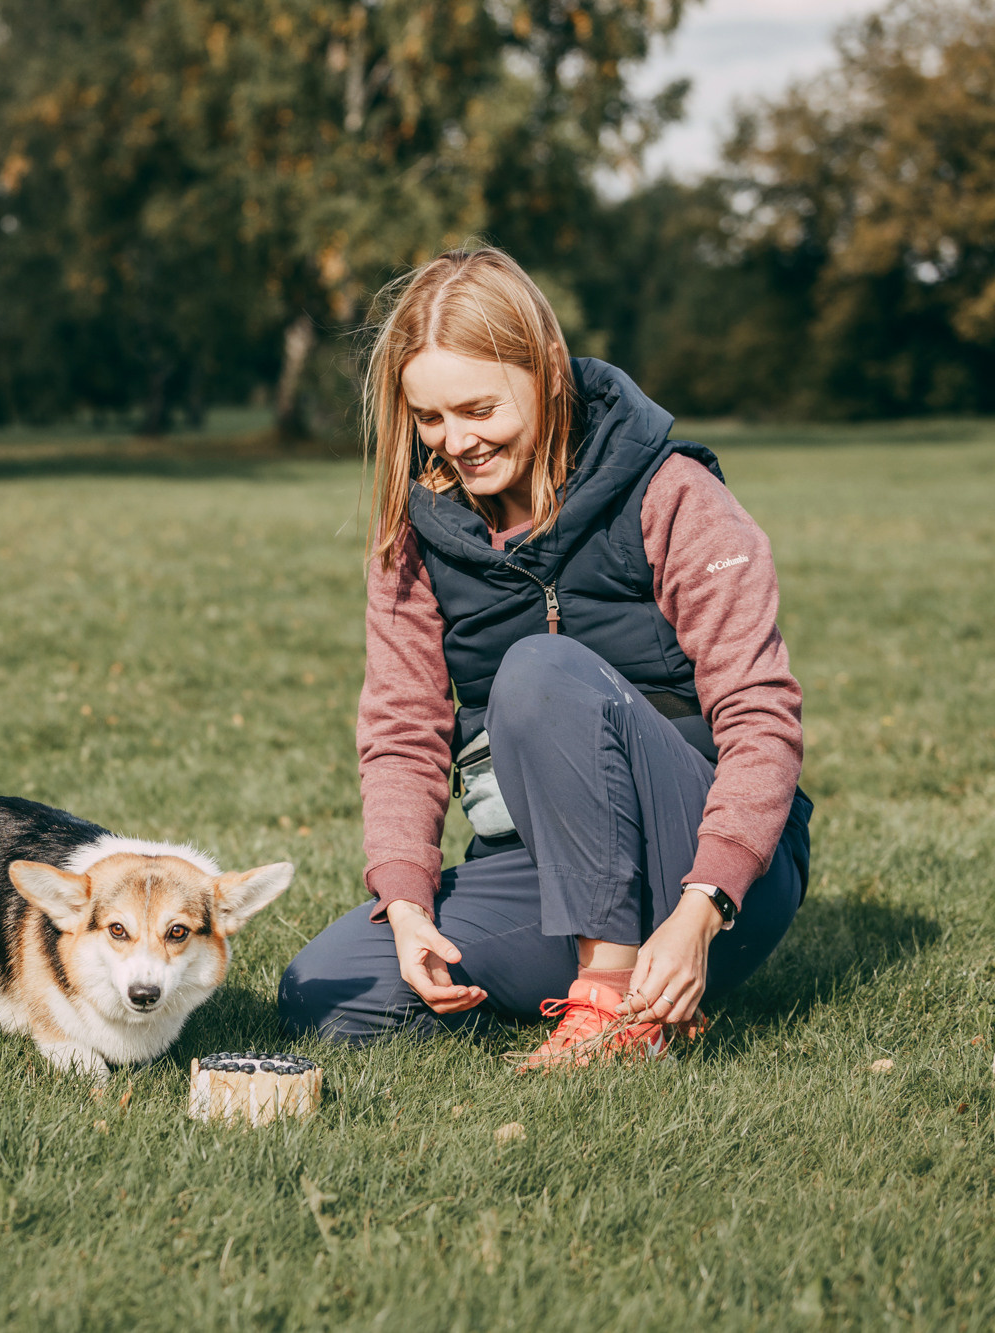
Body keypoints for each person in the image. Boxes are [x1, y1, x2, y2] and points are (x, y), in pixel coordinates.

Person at [277, 248, 810, 1069]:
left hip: (705, 874)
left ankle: (613, 996)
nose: (455, 441)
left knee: (538, 668)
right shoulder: (411, 542)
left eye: (478, 408)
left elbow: (761, 717)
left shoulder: (673, 494)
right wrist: (408, 902)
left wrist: (703, 906)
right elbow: (404, 732)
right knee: (327, 991)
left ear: (548, 370)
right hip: (546, 870)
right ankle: (615, 999)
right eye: (428, 418)